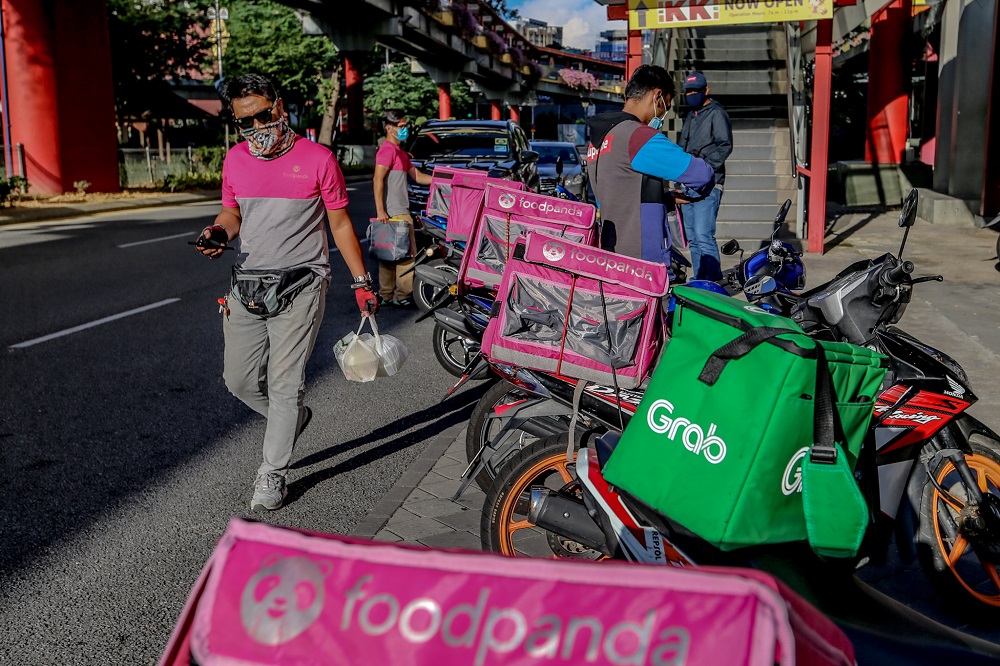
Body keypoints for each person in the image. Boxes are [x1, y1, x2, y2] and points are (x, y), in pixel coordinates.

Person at [194, 73, 377, 512]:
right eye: (245, 121)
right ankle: (292, 418)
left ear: (280, 106)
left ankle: (271, 473)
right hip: (248, 283)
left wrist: (361, 282)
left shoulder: (318, 159)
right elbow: (232, 212)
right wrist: (218, 231)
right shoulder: (236, 160)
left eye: (262, 115)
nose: (256, 126)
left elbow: (339, 224)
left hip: (302, 284)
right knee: (237, 379)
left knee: (284, 384)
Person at [585, 64, 715, 268]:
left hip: (612, 252)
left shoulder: (597, 141)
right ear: (658, 96)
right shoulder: (637, 136)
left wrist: (662, 198)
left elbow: (618, 194)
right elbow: (702, 175)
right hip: (644, 260)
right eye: (666, 107)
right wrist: (696, 193)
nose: (662, 116)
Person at [373, 109, 433, 307]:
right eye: (401, 126)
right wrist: (380, 209)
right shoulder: (388, 151)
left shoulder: (400, 153)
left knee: (389, 254)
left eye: (405, 125)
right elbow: (378, 179)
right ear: (389, 128)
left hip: (395, 210)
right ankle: (402, 295)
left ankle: (387, 294)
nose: (405, 129)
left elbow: (417, 176)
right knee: (407, 255)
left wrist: (441, 179)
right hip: (396, 211)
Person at [677, 71, 733, 281]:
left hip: (709, 184)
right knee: (692, 237)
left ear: (706, 90)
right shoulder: (691, 115)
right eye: (688, 91)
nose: (691, 94)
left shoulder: (716, 113)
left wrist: (703, 168)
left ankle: (714, 282)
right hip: (688, 184)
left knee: (703, 235)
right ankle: (700, 280)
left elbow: (724, 145)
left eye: (696, 91)